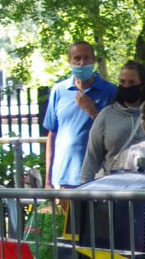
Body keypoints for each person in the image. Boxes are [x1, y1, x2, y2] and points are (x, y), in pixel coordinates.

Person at [80, 61, 145, 182]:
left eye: (131, 82)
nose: (126, 86)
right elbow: (92, 158)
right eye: (122, 82)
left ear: (142, 85)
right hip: (115, 189)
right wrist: (83, 190)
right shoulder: (106, 116)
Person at [42, 41, 118, 188]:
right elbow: (52, 135)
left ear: (94, 60)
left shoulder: (110, 91)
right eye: (77, 58)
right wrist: (48, 181)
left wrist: (92, 110)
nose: (82, 63)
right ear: (69, 61)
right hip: (63, 178)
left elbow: (115, 135)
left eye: (86, 58)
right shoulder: (59, 91)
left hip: (97, 178)